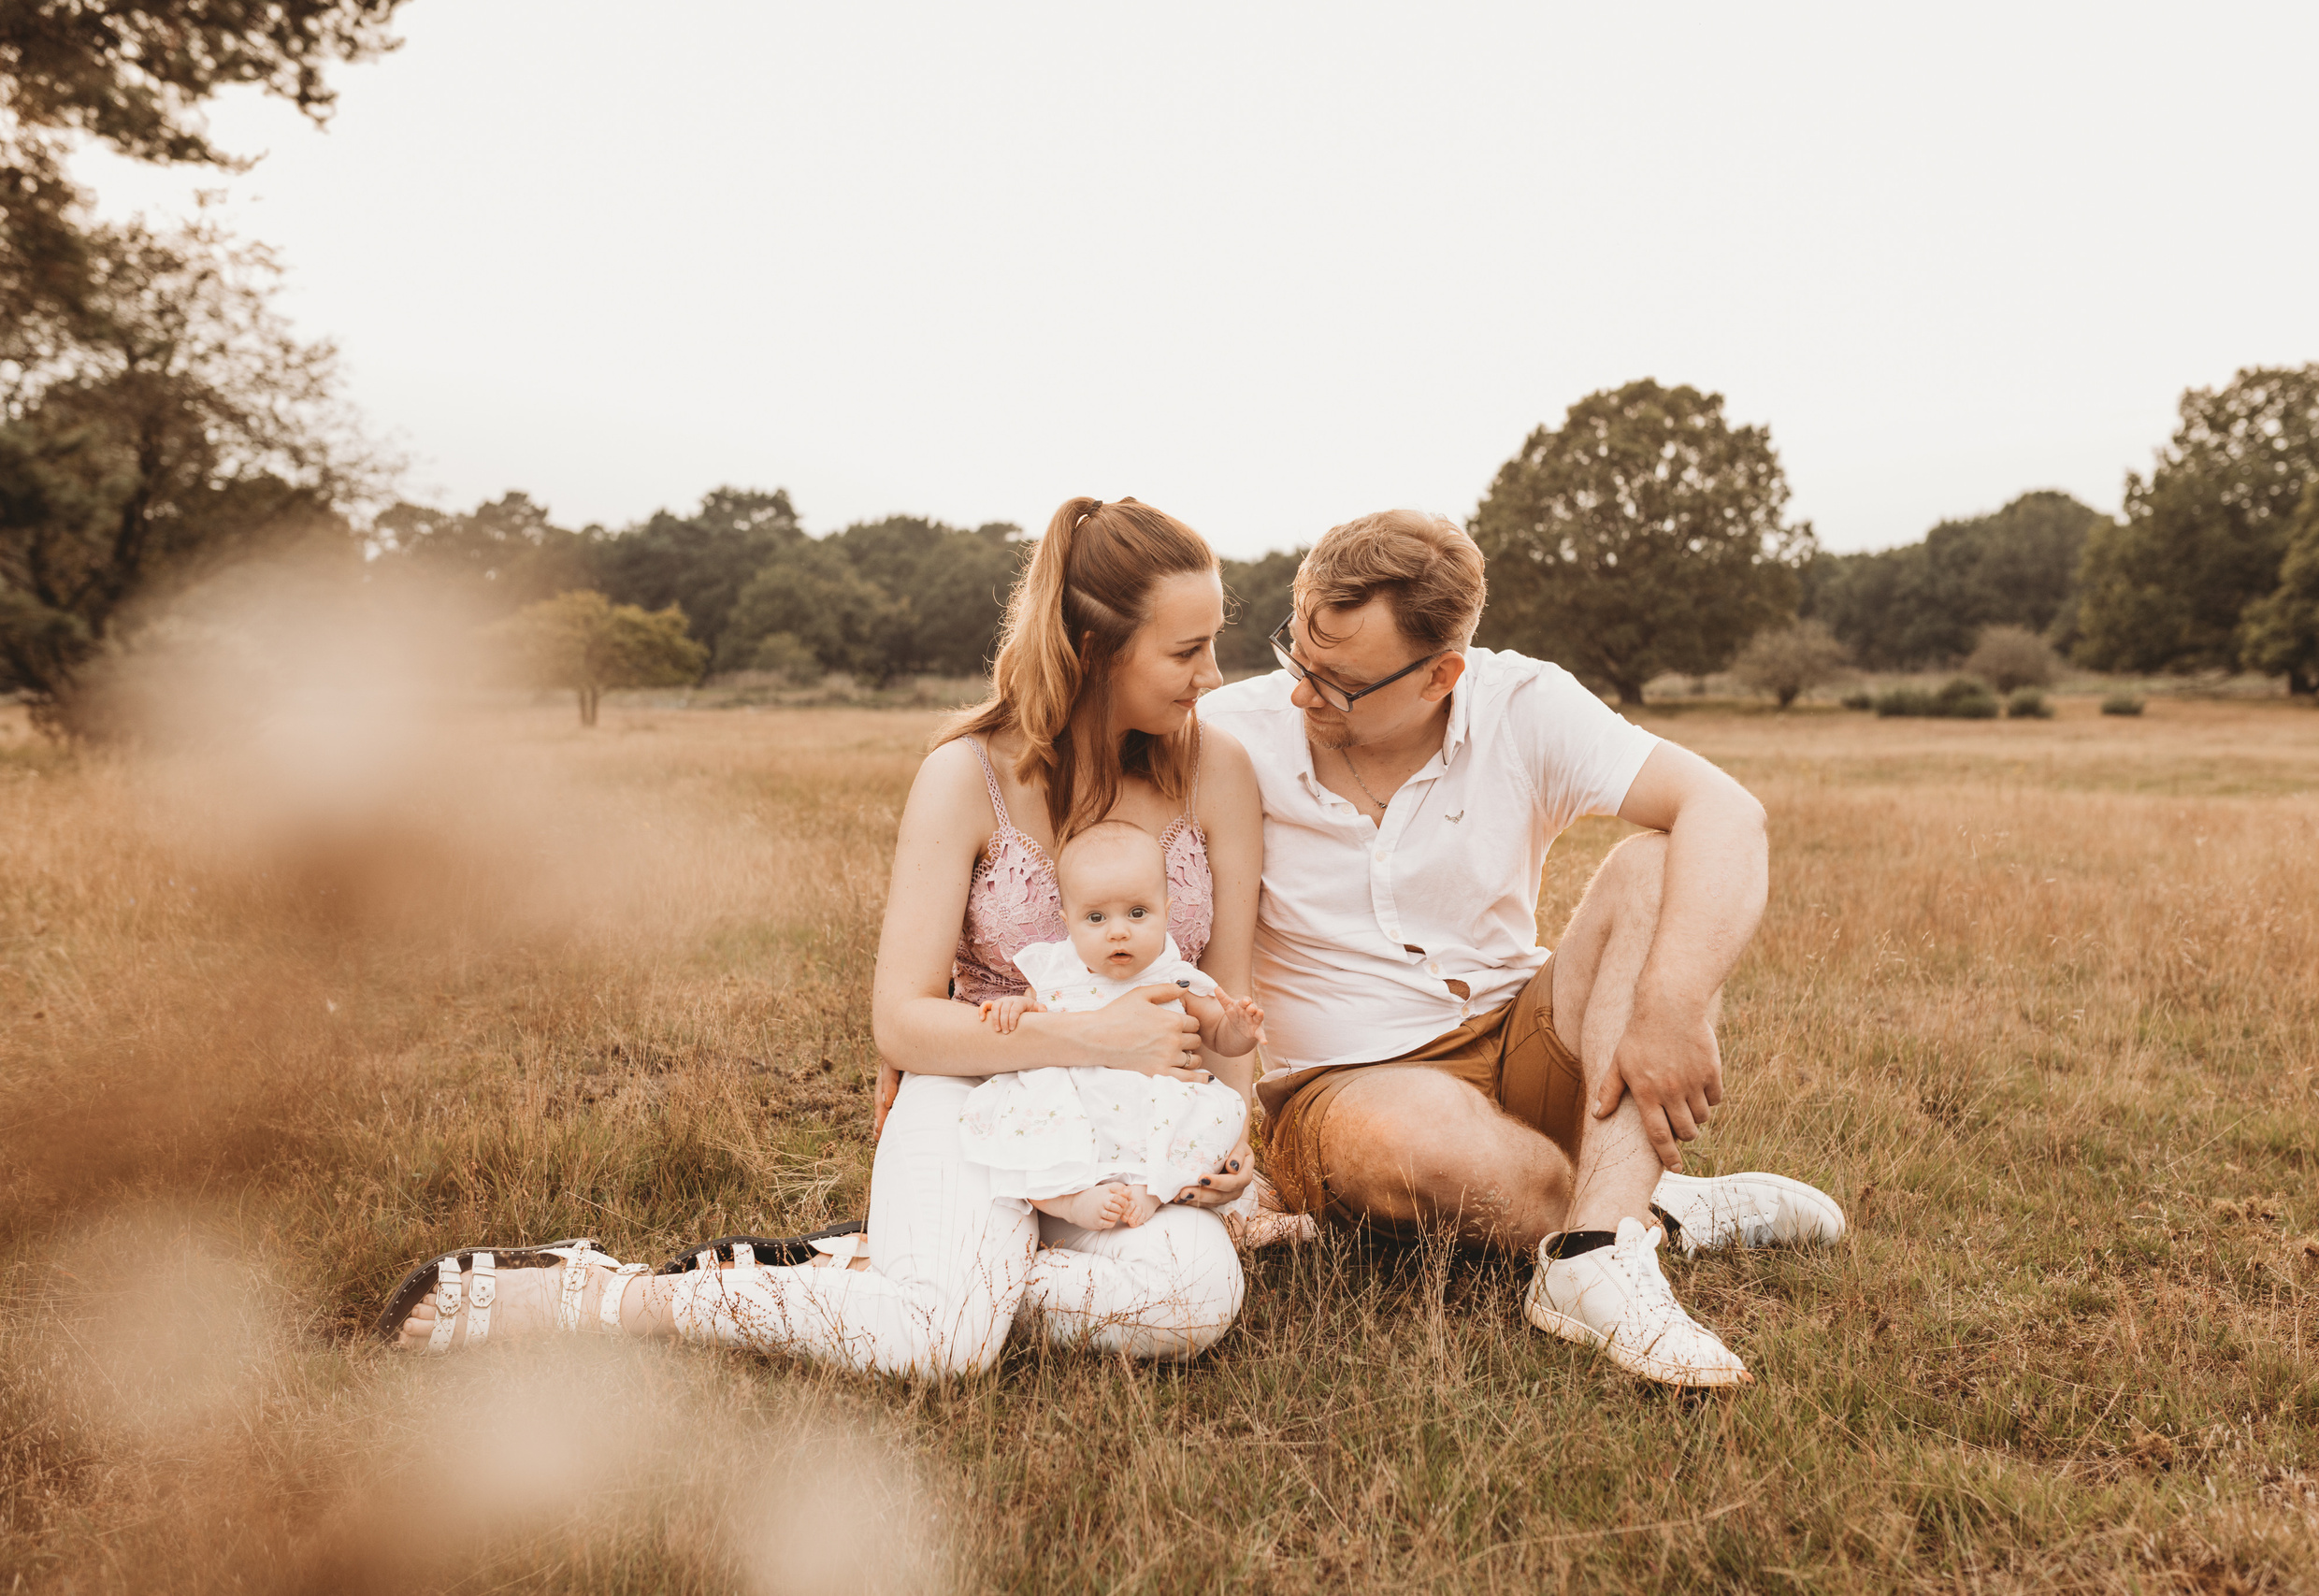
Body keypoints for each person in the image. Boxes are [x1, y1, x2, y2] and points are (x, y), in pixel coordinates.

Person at [381, 496, 1265, 1373]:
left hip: (1137, 1136)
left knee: (1194, 1300)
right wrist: (1095, 1036)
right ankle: (622, 1295)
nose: (1214, 675)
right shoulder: (964, 776)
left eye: (1215, 642)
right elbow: (904, 1022)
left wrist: (1227, 1149)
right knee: (942, 1347)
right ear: (1094, 651)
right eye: (1188, 650)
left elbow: (1227, 1002)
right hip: (977, 1092)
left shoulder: (1215, 770)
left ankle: (908, 1272)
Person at [1196, 510, 1848, 1388]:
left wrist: (1671, 1006)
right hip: (1344, 1089)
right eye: (1295, 657)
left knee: (1657, 865)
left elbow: (1728, 812)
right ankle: (1644, 1207)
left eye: (1341, 683)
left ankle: (1589, 1256)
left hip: (1521, 1035)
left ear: (1441, 674)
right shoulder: (1226, 731)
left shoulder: (1521, 704)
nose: (1304, 695)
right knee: (1429, 1143)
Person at [965, 820, 1265, 1232]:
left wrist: (1238, 1030)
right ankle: (1068, 1201)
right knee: (1030, 1130)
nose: (1119, 931)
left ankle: (1154, 1187)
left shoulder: (1173, 975)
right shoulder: (1058, 972)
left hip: (1151, 1105)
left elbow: (1216, 1033)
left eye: (1138, 913)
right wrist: (1014, 1007)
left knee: (1206, 1118)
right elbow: (1037, 1010)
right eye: (1096, 917)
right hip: (1077, 1101)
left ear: (1168, 911)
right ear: (1066, 921)